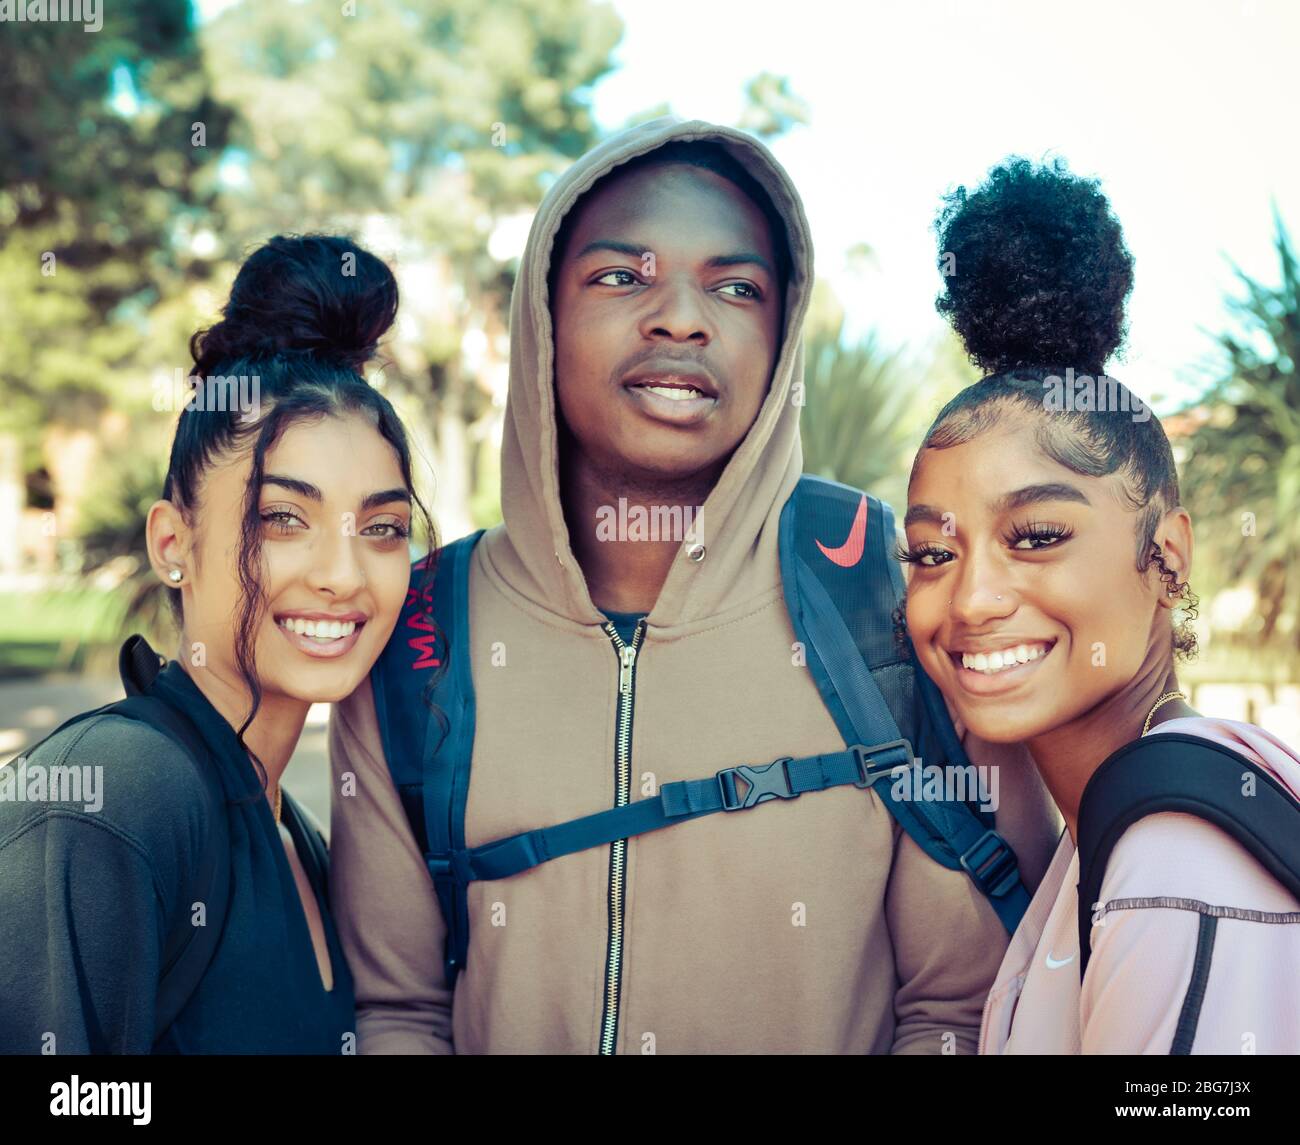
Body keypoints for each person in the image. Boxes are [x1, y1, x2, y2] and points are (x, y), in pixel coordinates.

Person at [326, 117, 1060, 1055]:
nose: (681, 317)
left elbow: (957, 1010)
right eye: (622, 276)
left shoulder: (887, 587)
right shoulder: (424, 625)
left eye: (736, 286)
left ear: (781, 333)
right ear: (543, 320)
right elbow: (400, 1013)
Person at [900, 157, 1300, 1054]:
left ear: (1166, 556)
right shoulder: (1111, 825)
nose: (971, 597)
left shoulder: (1177, 853)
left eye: (1036, 536)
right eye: (932, 551)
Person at [0, 234, 435, 1053]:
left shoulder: (293, 831)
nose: (344, 575)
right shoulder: (114, 798)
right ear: (172, 543)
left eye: (382, 528)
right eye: (283, 518)